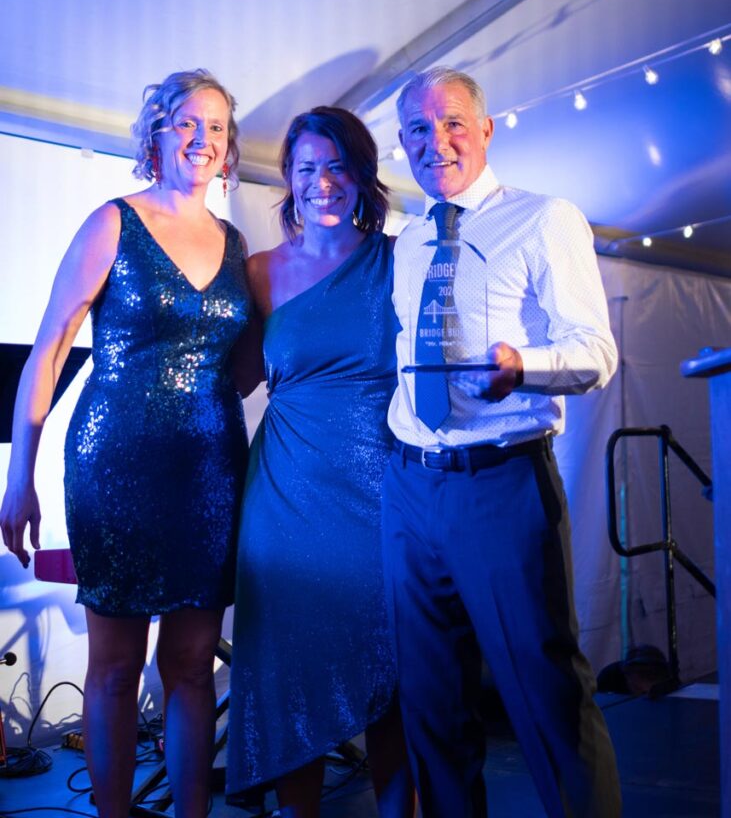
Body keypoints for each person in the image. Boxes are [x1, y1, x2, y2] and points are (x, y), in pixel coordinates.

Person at [0, 69, 260, 818]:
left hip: (210, 473)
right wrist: (20, 476)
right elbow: (50, 348)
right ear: (156, 134)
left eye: (215, 127)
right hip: (115, 465)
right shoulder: (113, 222)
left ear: (228, 147)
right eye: (186, 122)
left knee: (191, 664)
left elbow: (243, 369)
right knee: (116, 668)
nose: (201, 139)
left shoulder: (237, 244)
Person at [382, 66, 622, 817]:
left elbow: (596, 352)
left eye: (452, 122)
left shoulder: (545, 218)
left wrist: (525, 368)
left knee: (545, 695)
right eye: (418, 129)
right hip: (409, 486)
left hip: (502, 484)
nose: (437, 141)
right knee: (431, 706)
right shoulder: (407, 241)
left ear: (486, 129)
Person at [226, 107, 414, 818]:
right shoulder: (260, 271)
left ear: (362, 174)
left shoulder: (400, 259)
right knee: (289, 674)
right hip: (286, 496)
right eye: (307, 168)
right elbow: (237, 378)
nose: (322, 181)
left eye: (336, 166)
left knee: (393, 668)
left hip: (383, 490)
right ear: (289, 179)